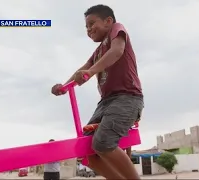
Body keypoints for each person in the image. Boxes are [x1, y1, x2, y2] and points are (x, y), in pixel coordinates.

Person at [51, 4, 143, 179]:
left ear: (108, 21)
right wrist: (64, 86)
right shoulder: (98, 51)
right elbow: (84, 67)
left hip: (127, 97)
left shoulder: (117, 30)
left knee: (103, 142)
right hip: (106, 103)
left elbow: (117, 52)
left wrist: (90, 72)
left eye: (92, 23)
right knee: (86, 152)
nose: (88, 29)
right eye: (86, 27)